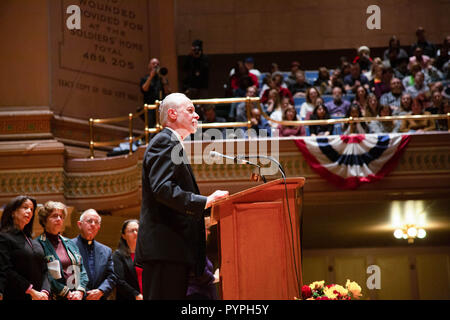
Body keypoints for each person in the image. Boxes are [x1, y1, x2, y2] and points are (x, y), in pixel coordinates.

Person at [135, 92, 229, 300]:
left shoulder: (172, 143)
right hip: (164, 250)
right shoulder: (164, 141)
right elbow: (163, 189)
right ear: (172, 114)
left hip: (171, 251)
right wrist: (205, 201)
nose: (196, 116)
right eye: (190, 110)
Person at [0, 195, 50, 300]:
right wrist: (31, 291)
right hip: (16, 295)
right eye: (25, 207)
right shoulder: (4, 237)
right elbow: (6, 270)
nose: (29, 211)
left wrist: (45, 291)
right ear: (13, 212)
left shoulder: (34, 242)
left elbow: (45, 269)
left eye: (31, 209)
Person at [36, 201, 88, 300]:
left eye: (61, 216)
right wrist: (66, 293)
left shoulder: (71, 243)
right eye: (54, 216)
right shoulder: (38, 244)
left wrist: (80, 291)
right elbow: (44, 275)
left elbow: (82, 270)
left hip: (76, 297)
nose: (59, 219)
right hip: (54, 296)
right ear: (44, 220)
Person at [72, 209, 117, 300]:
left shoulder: (106, 251)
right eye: (89, 221)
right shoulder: (68, 246)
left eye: (96, 222)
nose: (93, 224)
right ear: (79, 224)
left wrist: (101, 290)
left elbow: (112, 276)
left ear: (99, 227)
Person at [186, 217, 219, 300]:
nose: (209, 232)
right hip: (195, 295)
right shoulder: (192, 248)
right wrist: (214, 277)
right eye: (207, 229)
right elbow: (199, 272)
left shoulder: (197, 248)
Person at [112, 219, 143, 300]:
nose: (135, 233)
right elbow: (119, 280)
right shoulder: (118, 255)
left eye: (137, 230)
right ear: (124, 235)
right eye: (131, 231)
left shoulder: (146, 254)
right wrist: (136, 294)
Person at [140, 58, 171, 127]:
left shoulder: (162, 79)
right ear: (149, 66)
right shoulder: (145, 78)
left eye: (157, 64)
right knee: (150, 127)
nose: (156, 65)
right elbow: (144, 89)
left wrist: (163, 78)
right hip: (150, 107)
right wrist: (151, 77)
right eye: (153, 64)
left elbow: (167, 91)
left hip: (160, 108)